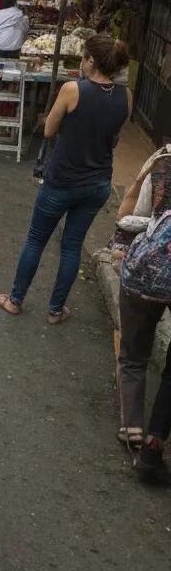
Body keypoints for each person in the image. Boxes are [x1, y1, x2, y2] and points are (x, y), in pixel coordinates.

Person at [0, 34, 131, 325]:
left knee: (36, 239)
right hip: (98, 183)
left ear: (92, 60)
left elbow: (49, 131)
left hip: (62, 180)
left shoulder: (73, 90)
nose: (81, 62)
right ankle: (56, 309)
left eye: (83, 56)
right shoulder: (126, 96)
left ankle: (15, 299)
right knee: (72, 245)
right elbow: (115, 138)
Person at [113, 144, 171, 452]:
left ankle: (132, 426)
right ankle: (157, 436)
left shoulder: (163, 162)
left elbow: (128, 217)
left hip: (146, 274)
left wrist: (137, 182)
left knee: (134, 355)